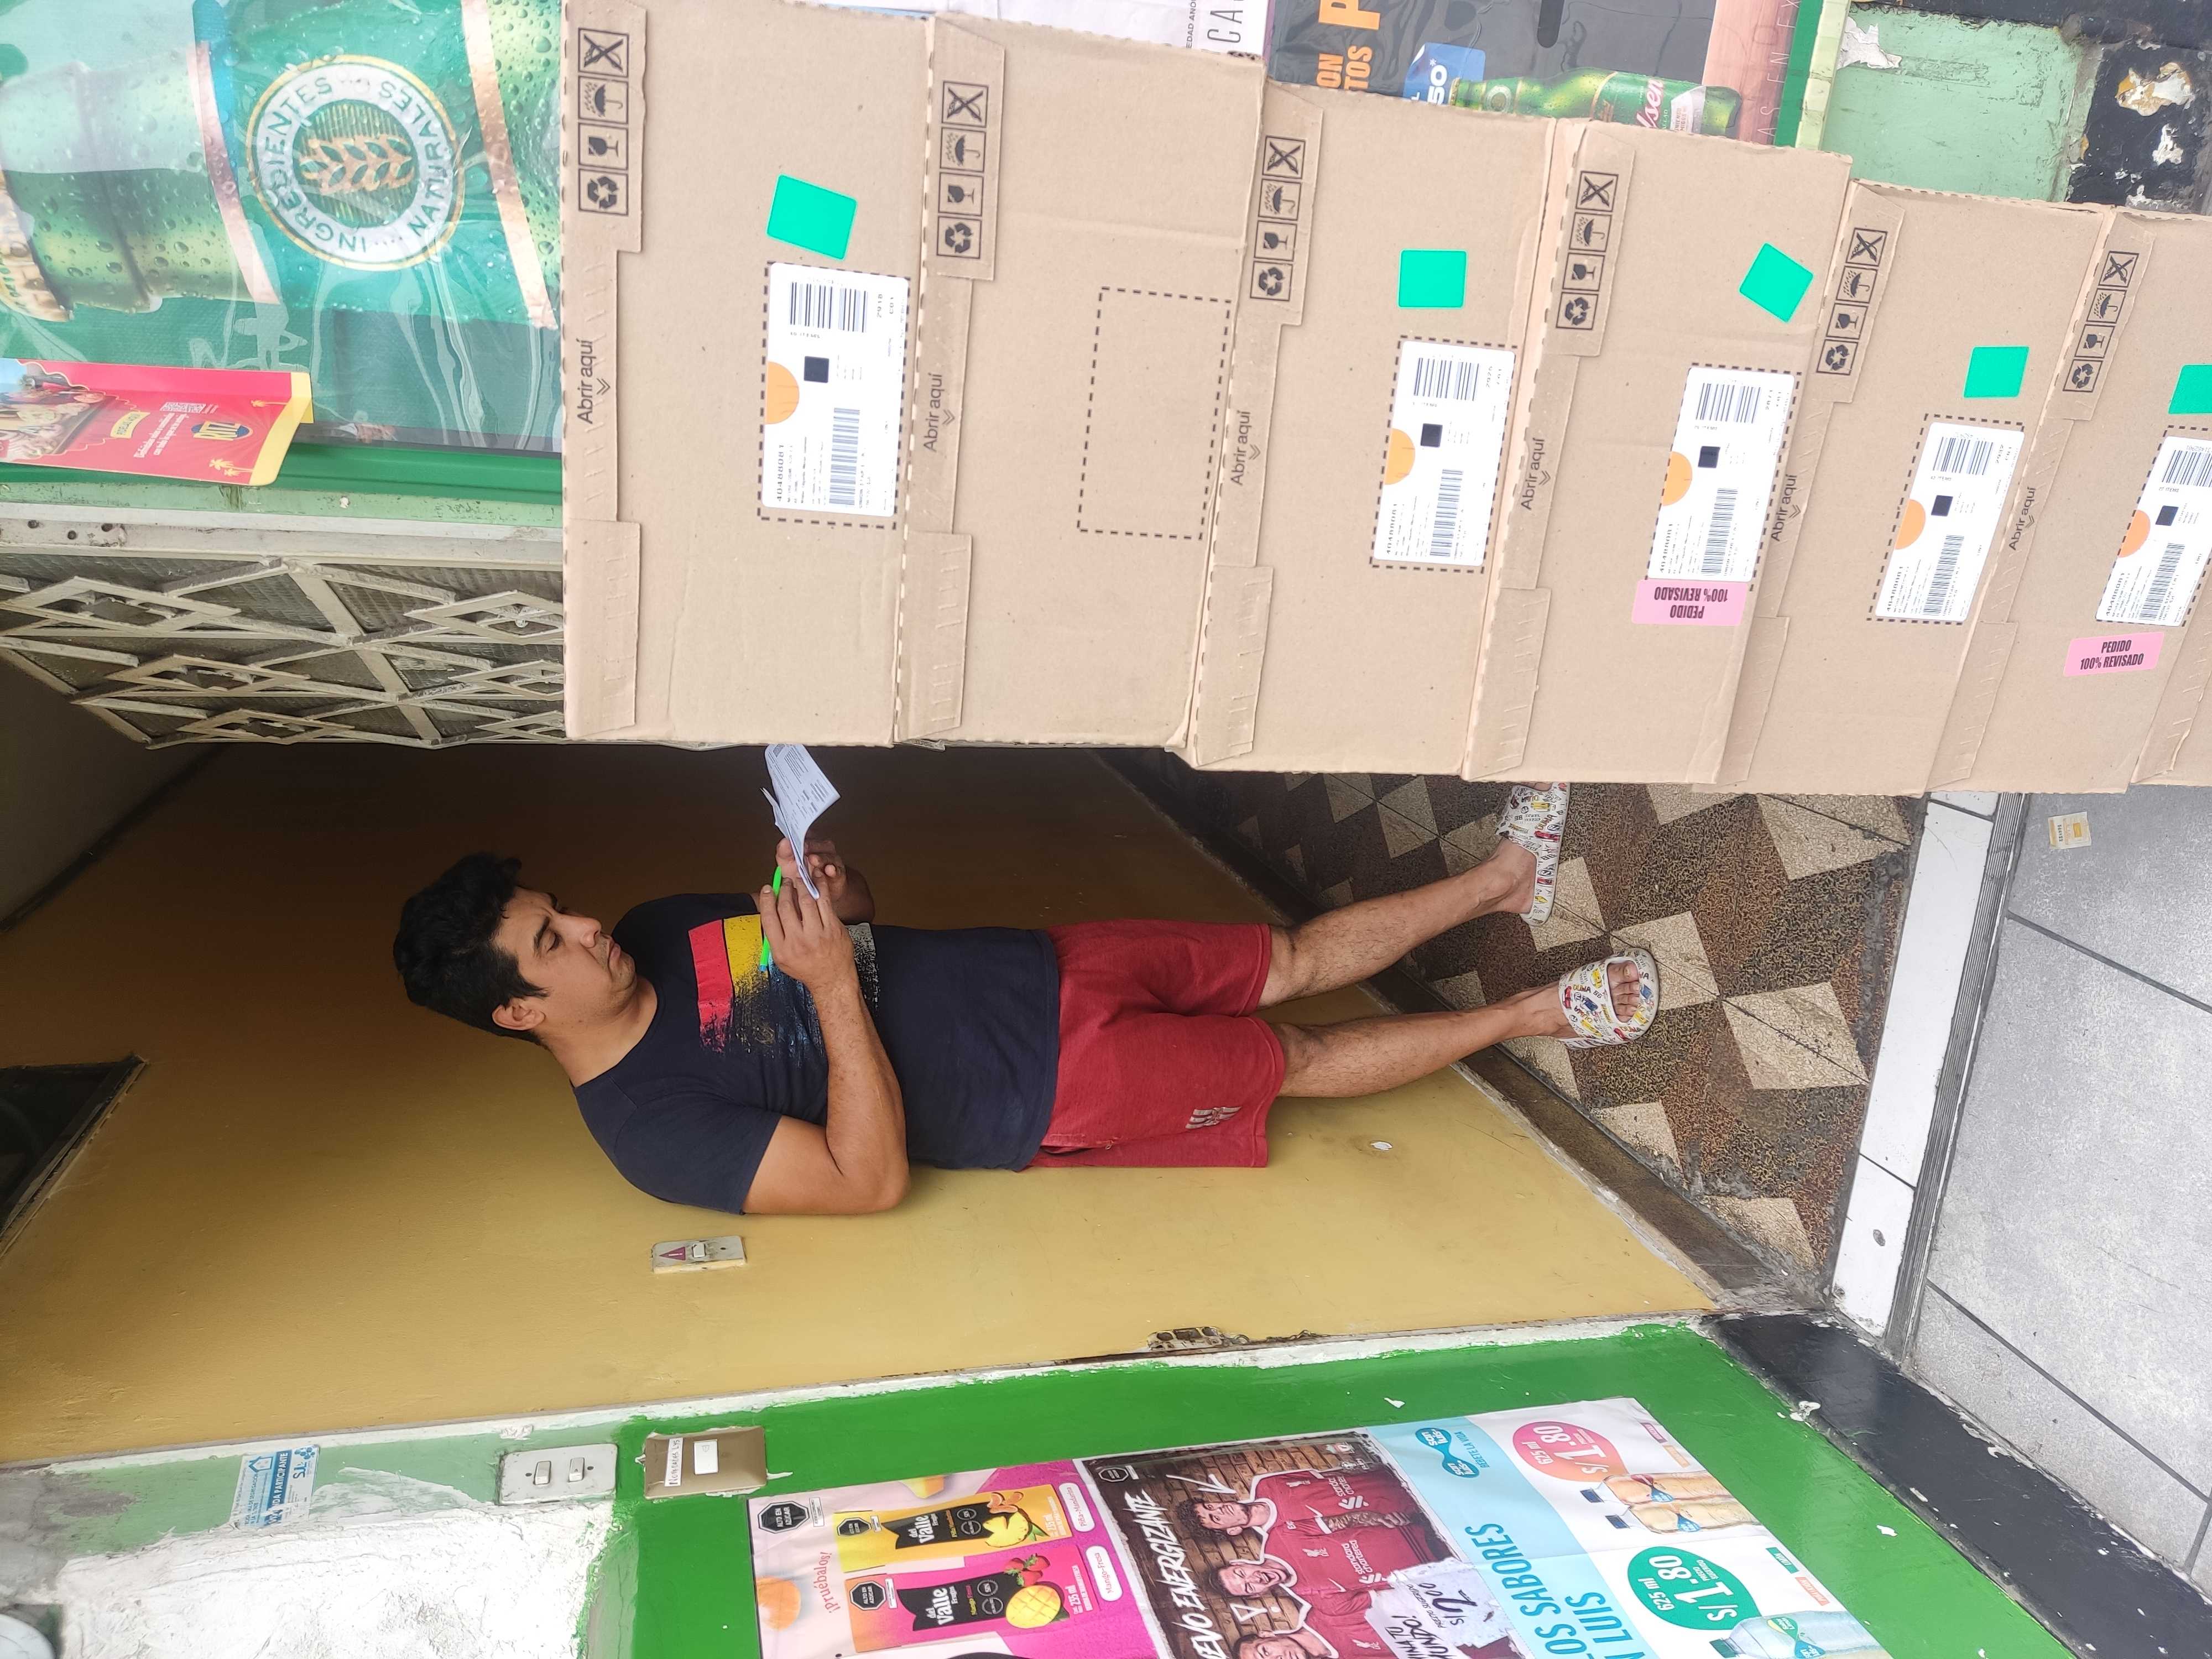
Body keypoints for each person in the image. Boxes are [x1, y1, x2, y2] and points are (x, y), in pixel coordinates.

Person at [390, 783, 1657, 1216]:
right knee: (1298, 1060)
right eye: (552, 940)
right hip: (1049, 1089)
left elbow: (853, 938)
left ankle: (1503, 882)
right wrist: (826, 987)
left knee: (1281, 957)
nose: (590, 927)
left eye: (563, 908)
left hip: (1041, 963)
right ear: (519, 1012)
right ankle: (1537, 1016)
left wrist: (839, 895)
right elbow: (865, 1183)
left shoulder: (659, 928)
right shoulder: (648, 1132)